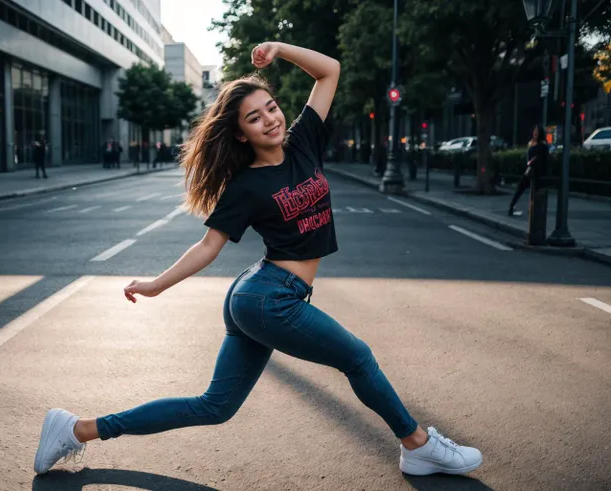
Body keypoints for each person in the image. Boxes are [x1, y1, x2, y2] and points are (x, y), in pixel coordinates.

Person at [33, 41, 483, 477]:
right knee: (359, 358)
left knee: (214, 407)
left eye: (271, 107)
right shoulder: (245, 186)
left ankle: (76, 429)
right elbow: (207, 247)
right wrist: (155, 284)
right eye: (254, 117)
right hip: (269, 299)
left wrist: (278, 49)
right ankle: (418, 446)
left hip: (264, 294)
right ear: (239, 132)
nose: (269, 119)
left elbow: (329, 70)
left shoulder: (303, 141)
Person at [508, 124, 549, 216]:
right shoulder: (531, 143)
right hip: (530, 170)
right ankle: (512, 207)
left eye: (537, 132)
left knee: (535, 191)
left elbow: (540, 159)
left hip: (537, 171)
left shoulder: (542, 145)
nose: (535, 133)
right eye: (534, 131)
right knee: (521, 188)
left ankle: (535, 211)